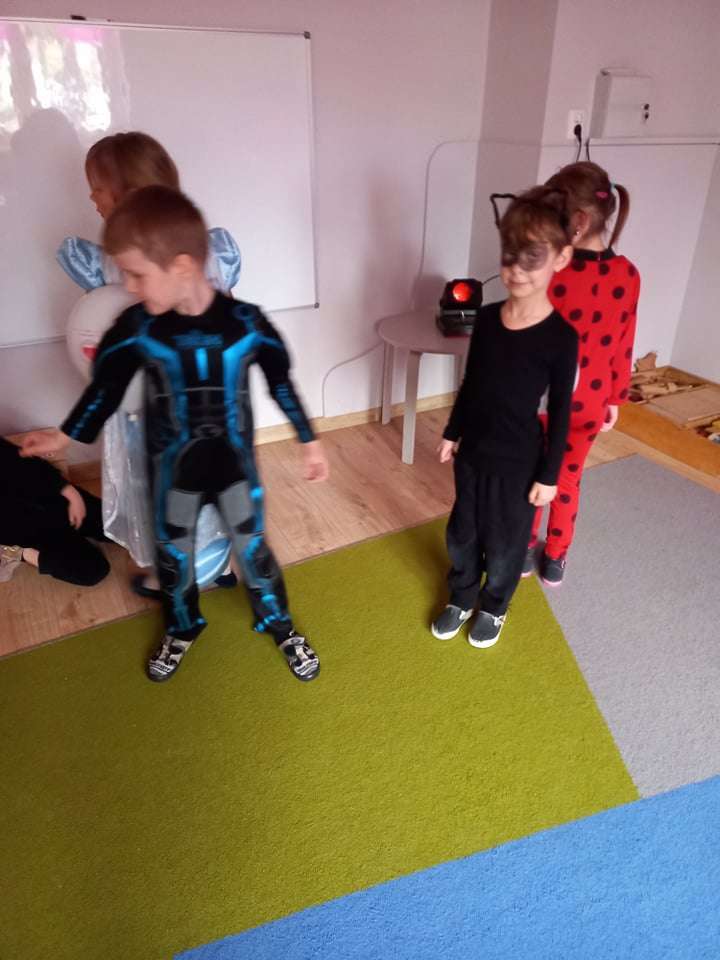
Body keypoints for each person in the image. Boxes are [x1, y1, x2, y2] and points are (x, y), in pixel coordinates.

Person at [23, 185, 328, 683]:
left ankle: (281, 626)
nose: (129, 286)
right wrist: (62, 437)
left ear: (182, 266)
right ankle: (182, 628)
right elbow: (107, 387)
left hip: (234, 470)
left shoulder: (245, 322)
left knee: (254, 552)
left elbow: (280, 380)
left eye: (138, 274)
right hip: (171, 470)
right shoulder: (138, 326)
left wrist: (309, 440)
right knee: (172, 557)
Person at [57, 131, 241, 593]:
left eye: (98, 188)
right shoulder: (205, 251)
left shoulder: (114, 263)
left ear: (127, 193)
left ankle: (185, 571)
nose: (91, 198)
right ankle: (207, 565)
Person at [432, 187, 578, 649]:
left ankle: (494, 605)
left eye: (532, 256)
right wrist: (453, 431)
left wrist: (550, 475)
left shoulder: (561, 338)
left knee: (505, 544)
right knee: (462, 534)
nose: (516, 267)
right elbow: (472, 381)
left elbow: (561, 412)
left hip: (518, 465)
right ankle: (462, 594)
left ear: (561, 257)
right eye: (509, 253)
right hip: (473, 454)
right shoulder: (489, 318)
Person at [524, 161, 639, 586]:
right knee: (567, 479)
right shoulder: (628, 274)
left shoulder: (552, 268)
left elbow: (527, 334)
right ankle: (555, 556)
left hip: (542, 397)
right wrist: (615, 398)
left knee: (533, 472)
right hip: (588, 401)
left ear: (578, 221)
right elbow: (624, 342)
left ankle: (525, 547)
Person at [0, 437, 109, 586]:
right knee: (93, 570)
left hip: (50, 498)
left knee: (123, 526)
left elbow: (23, 462)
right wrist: (22, 552)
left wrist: (70, 493)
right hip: (26, 534)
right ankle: (13, 553)